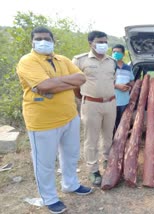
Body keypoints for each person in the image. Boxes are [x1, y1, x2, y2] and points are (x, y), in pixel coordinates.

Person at [16, 26, 92, 214]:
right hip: (43, 121)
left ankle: (70, 184)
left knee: (71, 155)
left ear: (53, 41)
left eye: (47, 38)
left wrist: (52, 85)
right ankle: (49, 198)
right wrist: (63, 82)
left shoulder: (63, 60)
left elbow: (81, 78)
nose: (43, 41)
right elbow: (44, 85)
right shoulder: (28, 61)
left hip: (69, 116)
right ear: (32, 42)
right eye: (39, 38)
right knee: (45, 162)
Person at [73, 31, 116, 186]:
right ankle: (93, 170)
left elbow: (113, 81)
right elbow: (74, 85)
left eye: (105, 42)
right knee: (91, 138)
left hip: (111, 103)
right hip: (91, 104)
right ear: (90, 43)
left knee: (108, 135)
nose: (103, 44)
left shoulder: (111, 61)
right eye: (99, 42)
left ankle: (107, 161)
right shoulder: (80, 60)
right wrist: (84, 98)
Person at [112, 44, 134, 132]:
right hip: (111, 101)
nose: (116, 53)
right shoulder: (108, 66)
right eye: (114, 52)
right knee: (111, 125)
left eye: (118, 52)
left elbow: (132, 81)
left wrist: (129, 86)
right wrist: (117, 86)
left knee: (122, 123)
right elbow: (102, 82)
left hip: (124, 101)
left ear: (123, 54)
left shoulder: (128, 68)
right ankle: (111, 142)